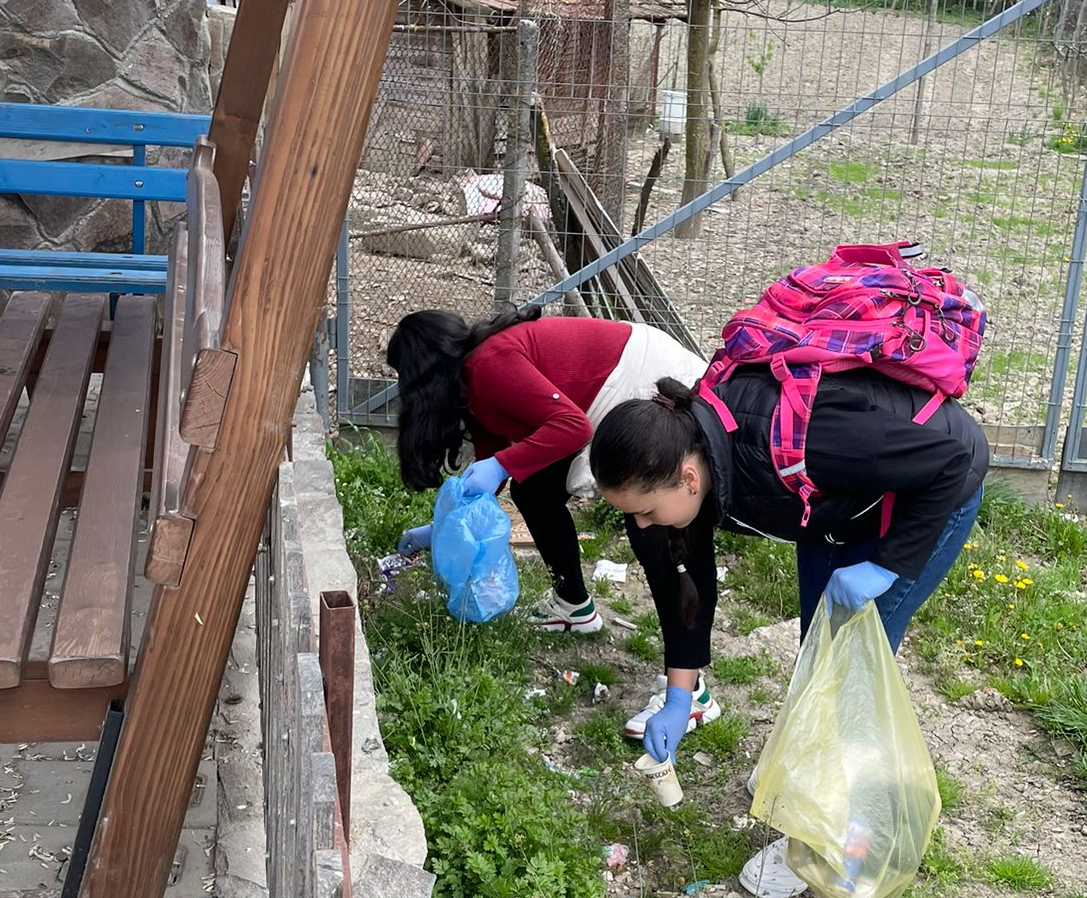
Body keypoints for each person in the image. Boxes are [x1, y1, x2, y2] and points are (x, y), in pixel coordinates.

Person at [587, 367, 989, 772]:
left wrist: (885, 567)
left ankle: (843, 797)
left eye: (646, 512)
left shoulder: (804, 438)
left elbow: (948, 463)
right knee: (818, 654)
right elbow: (683, 587)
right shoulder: (673, 475)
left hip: (931, 487)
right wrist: (679, 697)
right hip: (832, 504)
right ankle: (808, 771)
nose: (640, 525)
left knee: (851, 662)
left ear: (689, 478)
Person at [385, 306, 704, 646]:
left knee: (647, 520)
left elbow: (572, 428)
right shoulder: (470, 385)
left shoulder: (487, 365)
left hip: (646, 380)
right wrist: (443, 528)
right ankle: (573, 606)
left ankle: (685, 666)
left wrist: (501, 466)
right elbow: (492, 464)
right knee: (534, 490)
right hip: (600, 397)